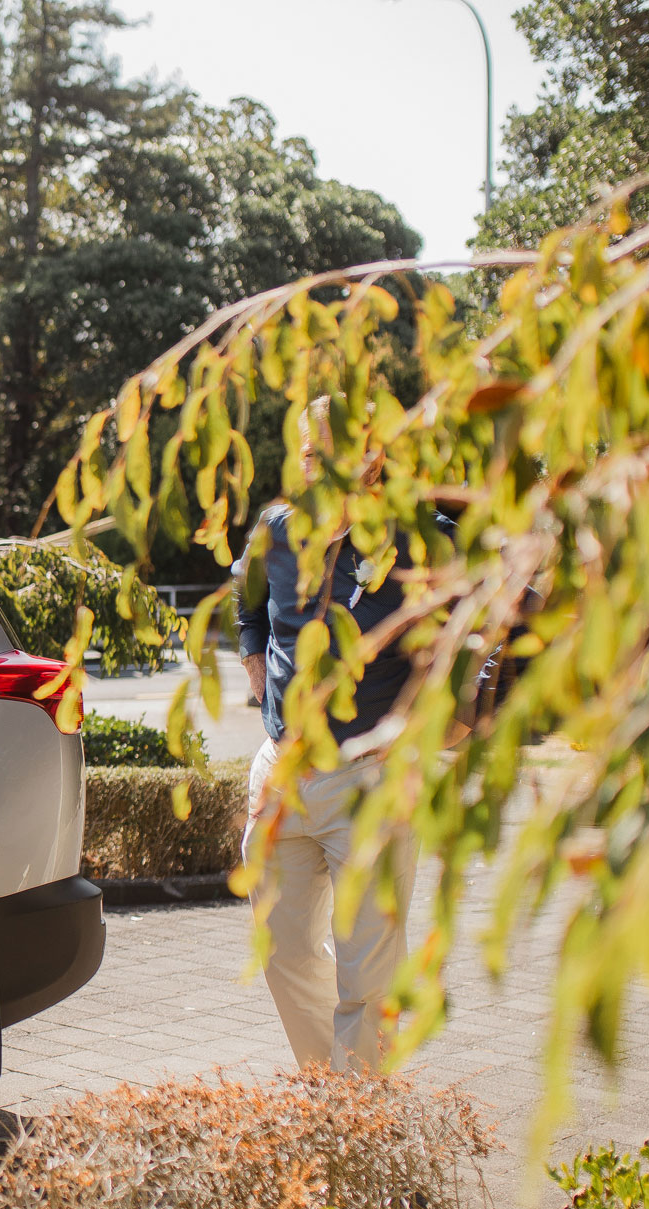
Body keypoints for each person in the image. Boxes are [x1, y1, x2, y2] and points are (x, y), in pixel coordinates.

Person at [233, 396, 462, 1073]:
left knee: (368, 970)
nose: (314, 472)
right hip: (281, 767)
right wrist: (255, 671)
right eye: (308, 456)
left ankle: (357, 1127)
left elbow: (451, 647)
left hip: (371, 776)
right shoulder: (275, 531)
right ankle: (337, 1090)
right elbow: (249, 609)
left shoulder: (423, 539)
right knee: (280, 946)